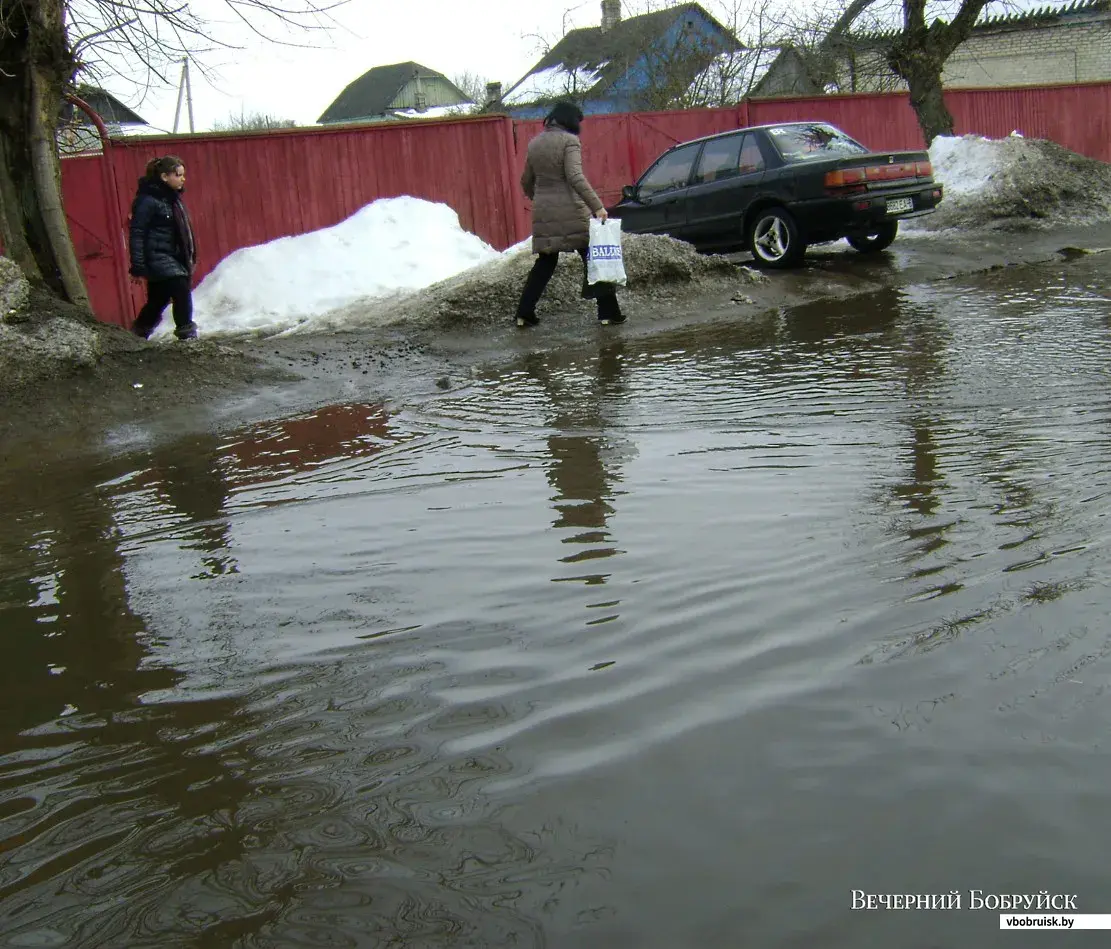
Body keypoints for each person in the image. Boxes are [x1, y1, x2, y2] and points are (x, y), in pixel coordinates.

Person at [515, 101, 624, 328]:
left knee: (545, 262)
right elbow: (575, 176)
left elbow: (526, 181)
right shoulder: (570, 141)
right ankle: (608, 313)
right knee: (593, 257)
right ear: (570, 121)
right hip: (572, 212)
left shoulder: (535, 143)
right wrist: (597, 206)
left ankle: (524, 313)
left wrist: (539, 199)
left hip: (544, 212)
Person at [128, 155, 198, 340]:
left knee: (158, 300)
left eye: (183, 175)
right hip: (157, 256)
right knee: (180, 287)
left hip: (171, 256)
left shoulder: (172, 199)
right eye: (178, 175)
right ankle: (187, 333)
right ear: (164, 177)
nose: (183, 179)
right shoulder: (148, 200)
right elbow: (137, 232)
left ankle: (137, 335)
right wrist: (138, 265)